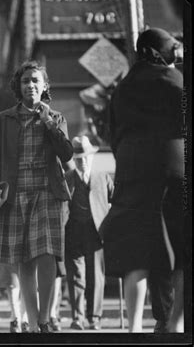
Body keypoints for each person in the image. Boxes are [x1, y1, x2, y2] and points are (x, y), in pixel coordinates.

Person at [0, 60, 73, 333]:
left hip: (47, 193)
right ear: (18, 87)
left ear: (44, 86)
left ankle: (44, 319)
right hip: (15, 194)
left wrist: (47, 122)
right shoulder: (4, 118)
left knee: (46, 255)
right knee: (24, 261)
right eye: (25, 81)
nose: (30, 85)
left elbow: (67, 154)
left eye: (35, 80)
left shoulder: (55, 118)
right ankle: (32, 323)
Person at [101, 28, 184, 332]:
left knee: (138, 254)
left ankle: (134, 329)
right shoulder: (174, 79)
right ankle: (175, 323)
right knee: (179, 253)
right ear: (154, 51)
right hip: (173, 174)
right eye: (173, 47)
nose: (177, 52)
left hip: (131, 175)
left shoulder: (122, 88)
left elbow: (111, 133)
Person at [63, 135, 114, 331]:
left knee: (96, 276)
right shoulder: (67, 179)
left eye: (85, 157)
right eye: (77, 158)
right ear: (73, 160)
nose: (82, 161)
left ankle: (94, 317)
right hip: (73, 232)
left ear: (91, 157)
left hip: (96, 232)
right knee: (76, 276)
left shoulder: (103, 178)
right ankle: (78, 317)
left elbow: (115, 200)